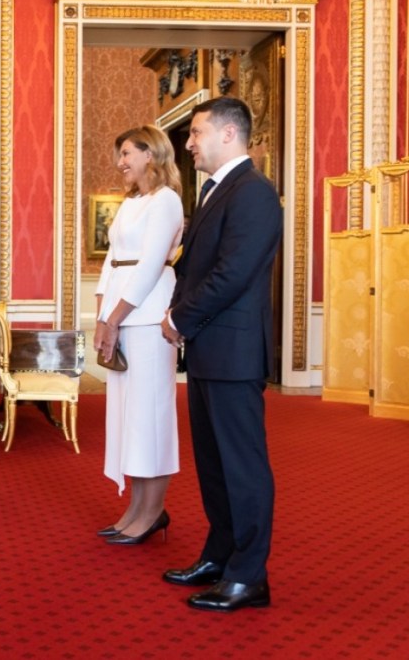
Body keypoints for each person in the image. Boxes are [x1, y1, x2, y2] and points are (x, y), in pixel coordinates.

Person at [160, 97, 282, 613]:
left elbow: (232, 274)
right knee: (213, 465)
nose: (188, 143)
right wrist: (180, 313)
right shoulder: (215, 190)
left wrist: (179, 319)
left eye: (196, 132)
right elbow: (194, 267)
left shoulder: (253, 192)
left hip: (234, 351)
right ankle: (220, 556)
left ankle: (248, 577)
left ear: (229, 134)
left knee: (242, 466)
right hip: (210, 349)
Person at [93, 125, 183, 545]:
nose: (120, 162)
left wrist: (114, 318)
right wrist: (101, 318)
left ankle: (152, 512)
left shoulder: (166, 201)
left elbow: (148, 268)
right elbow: (112, 260)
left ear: (151, 154)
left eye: (127, 153)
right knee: (129, 419)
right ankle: (135, 509)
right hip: (120, 313)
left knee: (151, 418)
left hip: (146, 319)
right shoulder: (131, 203)